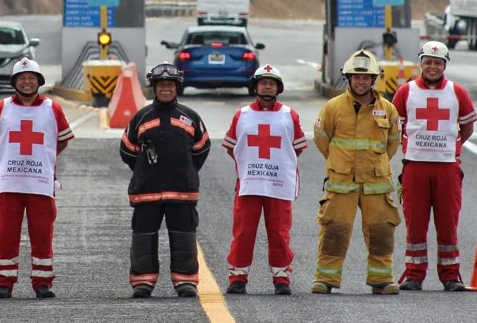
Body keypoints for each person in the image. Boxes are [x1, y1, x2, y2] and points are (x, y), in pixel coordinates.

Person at [310, 50, 402, 295]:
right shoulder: (333, 107)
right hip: (341, 182)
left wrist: (375, 164)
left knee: (382, 230)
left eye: (366, 77)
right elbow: (322, 139)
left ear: (374, 80)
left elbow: (392, 143)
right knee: (334, 229)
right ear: (348, 78)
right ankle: (325, 279)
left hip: (377, 183)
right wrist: (339, 162)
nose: (360, 82)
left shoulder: (389, 110)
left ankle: (381, 280)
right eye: (356, 77)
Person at [0, 57, 74, 299]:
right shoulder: (1, 107)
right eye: (21, 78)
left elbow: (61, 140)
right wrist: (9, 157)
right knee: (6, 234)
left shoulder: (52, 108)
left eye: (31, 78)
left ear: (39, 82)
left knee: (42, 234)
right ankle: (4, 282)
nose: (26, 82)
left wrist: (43, 159)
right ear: (14, 82)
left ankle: (42, 282)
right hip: (8, 182)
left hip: (40, 183)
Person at [391, 41, 477, 292]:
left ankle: (451, 276)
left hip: (447, 166)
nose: (432, 67)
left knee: (447, 223)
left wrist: (453, 145)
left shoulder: (457, 92)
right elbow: (396, 125)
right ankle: (413, 275)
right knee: (415, 223)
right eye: (428, 62)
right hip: (415, 166)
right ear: (421, 64)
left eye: (437, 63)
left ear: (445, 65)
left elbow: (467, 126)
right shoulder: (405, 92)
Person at [119, 62, 211, 299]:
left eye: (170, 84)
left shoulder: (191, 117)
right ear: (154, 88)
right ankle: (142, 282)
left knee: (184, 236)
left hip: (182, 191)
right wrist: (144, 170)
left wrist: (187, 171)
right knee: (143, 237)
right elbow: (127, 150)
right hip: (146, 191)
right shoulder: (141, 117)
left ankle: (185, 281)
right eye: (161, 85)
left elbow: (202, 148)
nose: (166, 89)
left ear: (177, 86)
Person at [222, 64, 307, 296]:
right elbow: (232, 148)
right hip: (249, 184)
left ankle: (281, 278)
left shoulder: (290, 115)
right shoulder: (242, 115)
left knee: (279, 232)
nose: (267, 86)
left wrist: (275, 165)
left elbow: (297, 148)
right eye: (263, 82)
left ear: (278, 87)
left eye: (271, 83)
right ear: (255, 86)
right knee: (243, 231)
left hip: (279, 184)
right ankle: (238, 277)